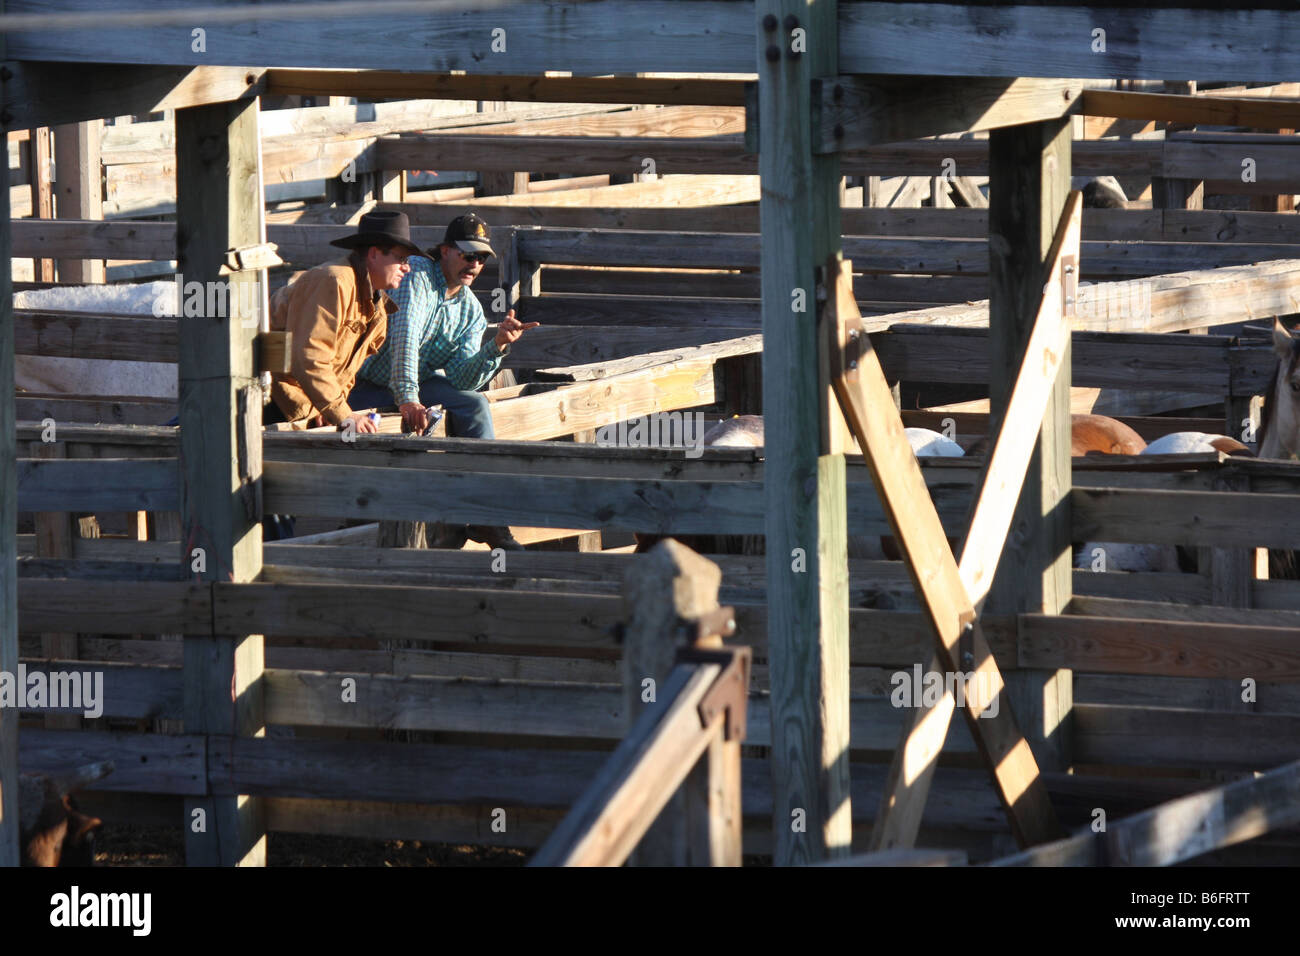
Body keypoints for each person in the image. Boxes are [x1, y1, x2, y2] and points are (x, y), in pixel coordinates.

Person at [349, 213, 539, 550]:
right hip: (363, 382)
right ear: (446, 250)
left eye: (481, 258)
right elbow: (404, 335)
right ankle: (355, 517)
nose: (474, 264)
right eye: (467, 255)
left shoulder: (470, 309)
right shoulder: (417, 276)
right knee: (351, 435)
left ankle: (487, 516)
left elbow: (463, 377)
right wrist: (408, 397)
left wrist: (496, 346)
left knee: (474, 402)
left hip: (416, 383)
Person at [266, 209, 420, 431]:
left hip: (303, 406)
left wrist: (329, 410)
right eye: (401, 258)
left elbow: (346, 373)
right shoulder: (333, 281)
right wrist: (340, 412)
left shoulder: (378, 310)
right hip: (270, 399)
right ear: (374, 254)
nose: (407, 267)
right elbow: (309, 356)